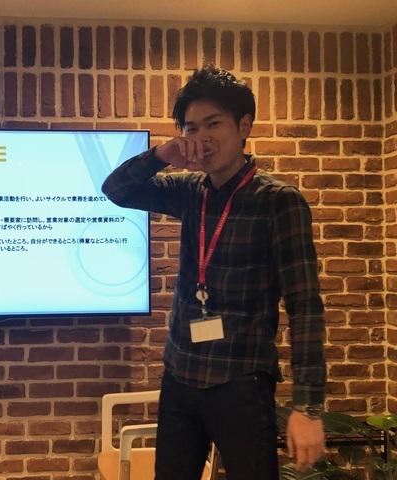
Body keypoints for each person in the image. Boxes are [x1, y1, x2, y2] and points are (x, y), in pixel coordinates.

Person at [101, 65, 325, 480]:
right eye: (191, 128)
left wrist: (308, 406)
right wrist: (162, 155)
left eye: (213, 124)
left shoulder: (278, 201)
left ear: (244, 126)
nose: (202, 138)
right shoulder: (190, 191)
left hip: (241, 381)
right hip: (181, 375)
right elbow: (115, 190)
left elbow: (305, 305)